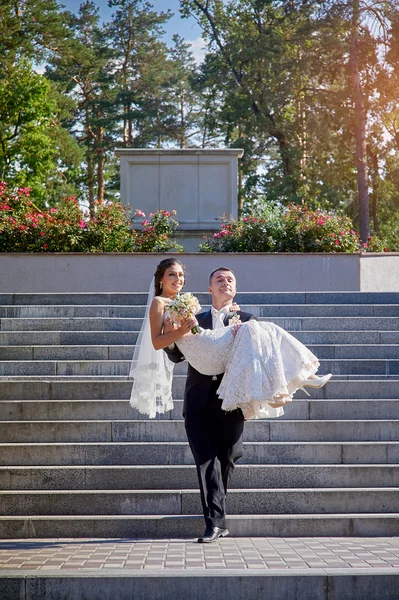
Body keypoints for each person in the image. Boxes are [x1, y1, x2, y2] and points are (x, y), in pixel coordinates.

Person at [129, 258, 332, 543]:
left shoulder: (248, 320)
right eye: (220, 280)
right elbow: (175, 354)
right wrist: (178, 334)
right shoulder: (192, 316)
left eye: (230, 280)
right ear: (209, 288)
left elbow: (262, 358)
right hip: (199, 398)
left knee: (228, 456)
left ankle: (299, 374)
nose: (226, 283)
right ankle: (214, 523)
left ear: (235, 289)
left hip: (232, 400)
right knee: (205, 460)